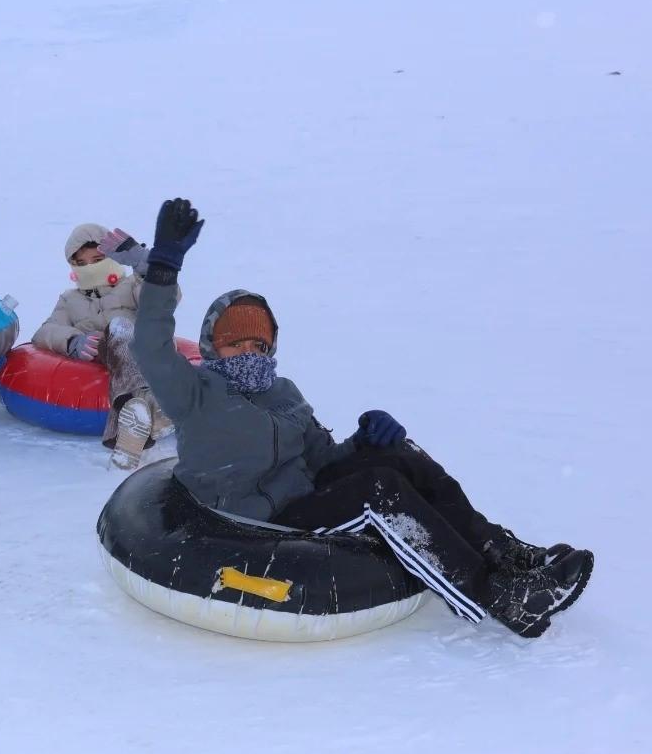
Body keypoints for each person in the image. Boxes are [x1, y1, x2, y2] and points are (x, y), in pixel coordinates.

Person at [130, 199, 594, 638]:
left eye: (259, 344)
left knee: (394, 458)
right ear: (213, 346)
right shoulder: (194, 392)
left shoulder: (283, 393)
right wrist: (165, 266)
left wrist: (366, 441)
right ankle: (499, 597)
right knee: (378, 493)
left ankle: (504, 552)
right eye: (236, 342)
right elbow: (150, 344)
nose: (249, 352)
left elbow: (322, 459)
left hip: (303, 496)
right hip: (253, 520)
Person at [30, 223, 172, 468]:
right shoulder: (70, 299)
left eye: (97, 259)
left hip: (144, 350)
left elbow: (165, 300)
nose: (90, 268)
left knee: (120, 326)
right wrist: (73, 340)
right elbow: (45, 331)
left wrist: (144, 263)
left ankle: (129, 437)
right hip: (101, 352)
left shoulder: (132, 285)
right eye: (81, 264)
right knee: (115, 330)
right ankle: (151, 413)